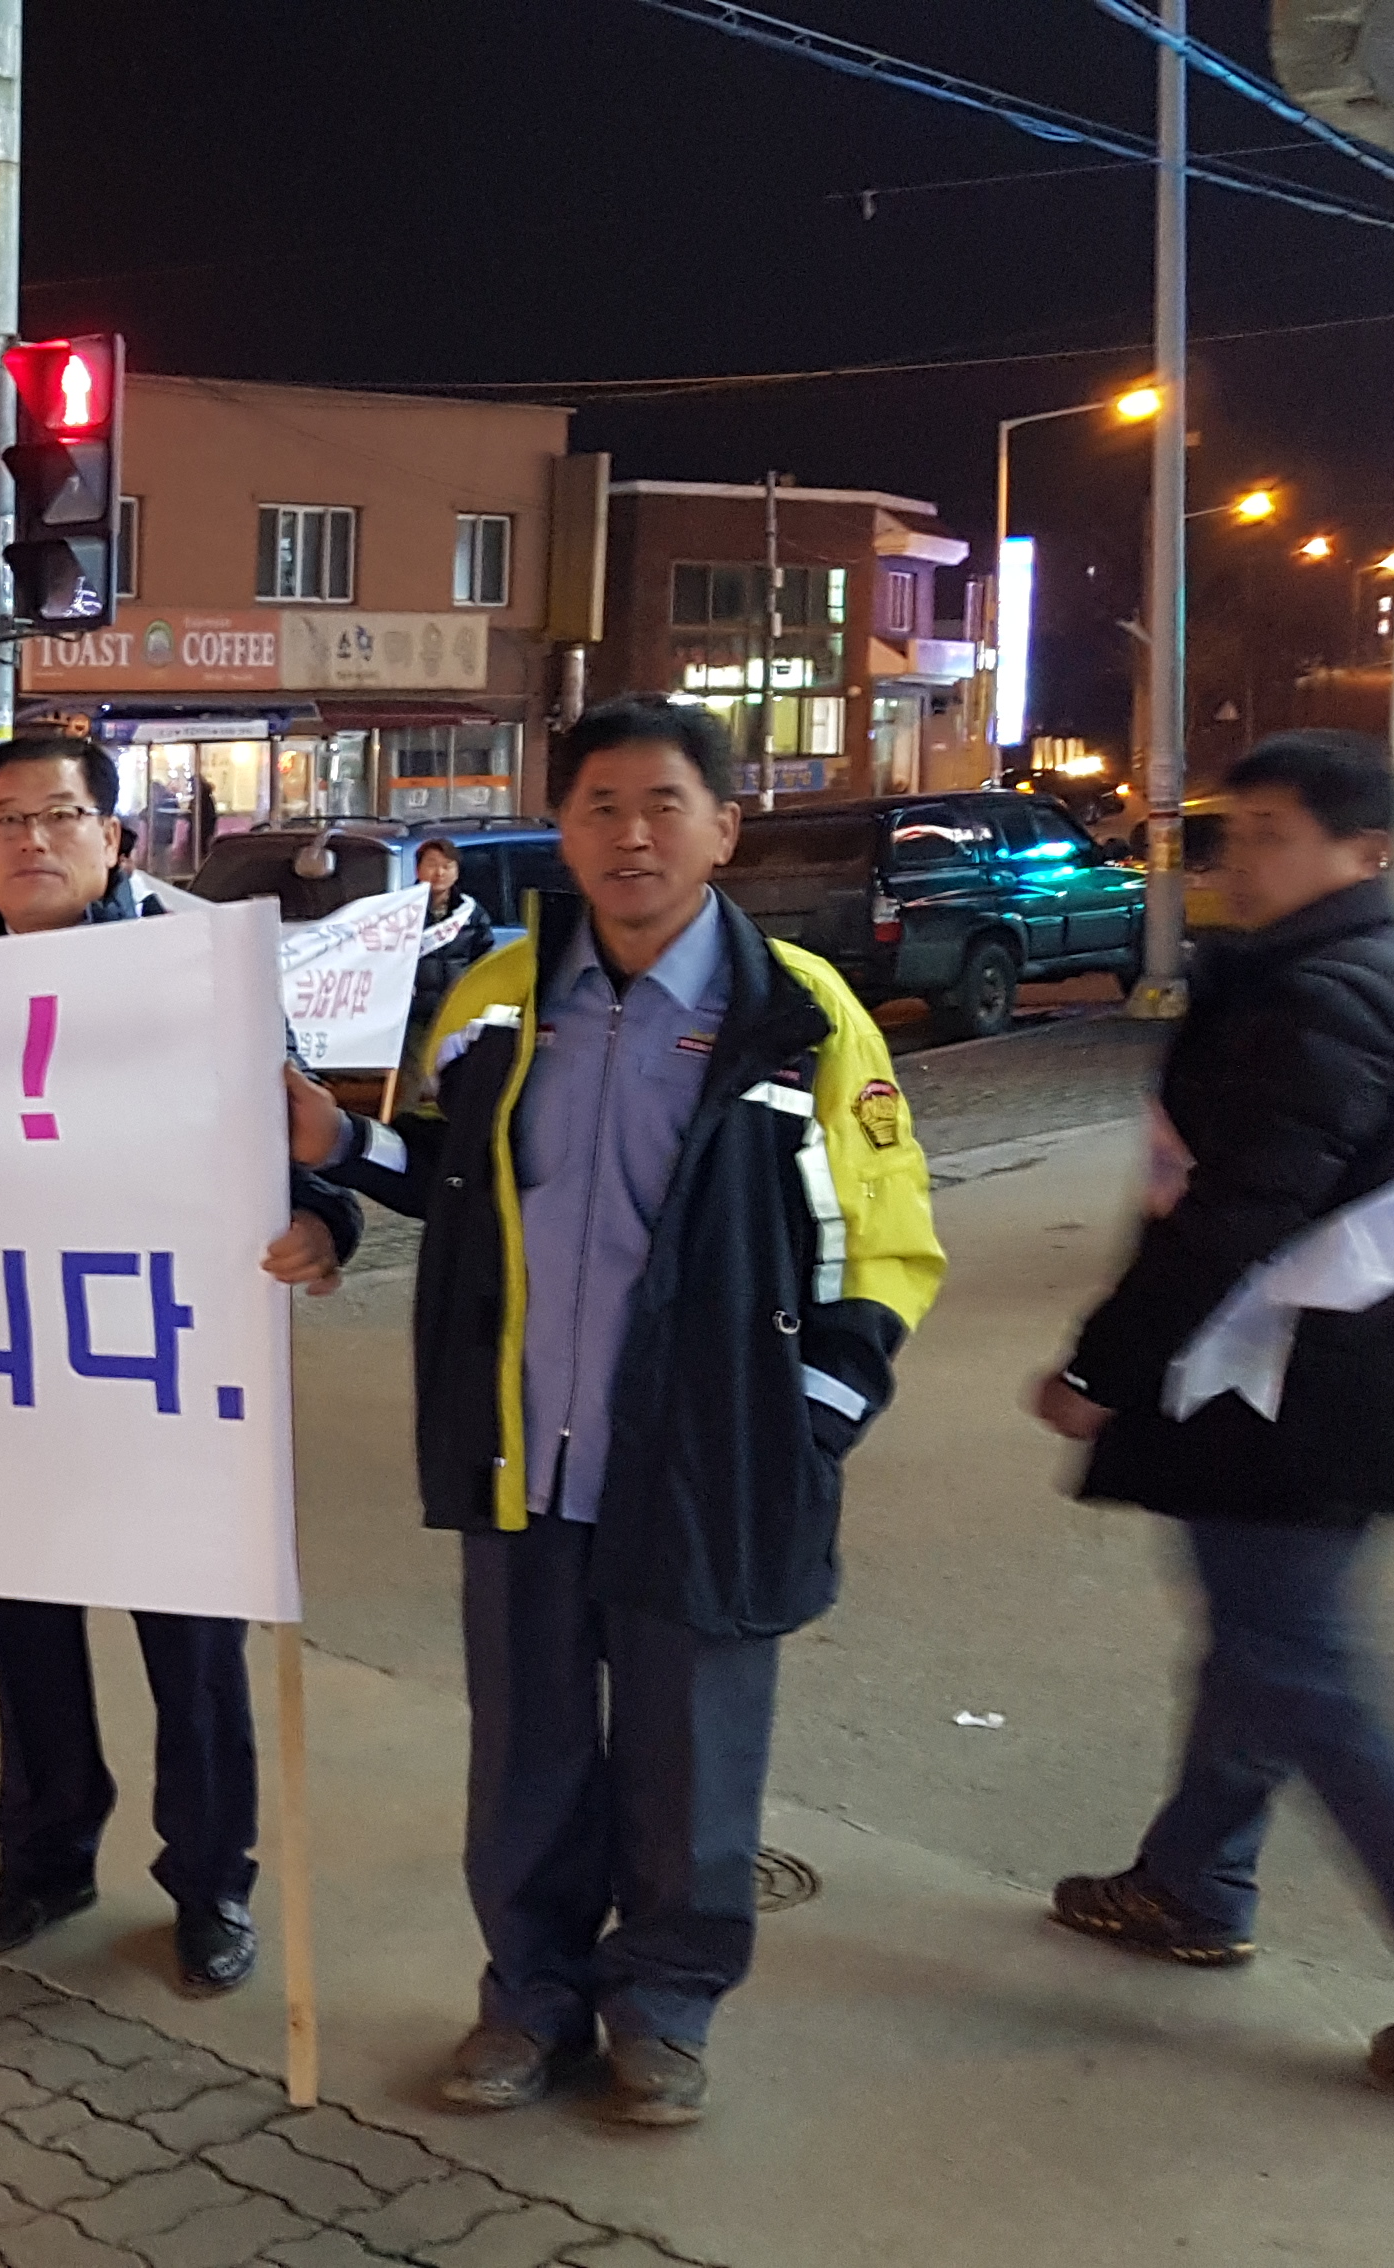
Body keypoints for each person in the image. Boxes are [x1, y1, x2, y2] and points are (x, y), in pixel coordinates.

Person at [291, 697, 943, 2126]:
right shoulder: (498, 995)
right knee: (525, 1754)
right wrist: (341, 1142)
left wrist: (805, 1426)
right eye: (599, 806)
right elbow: (453, 1175)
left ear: (724, 828)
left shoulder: (799, 1017)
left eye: (663, 805)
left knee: (690, 1761)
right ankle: (527, 1999)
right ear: (563, 829)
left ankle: (663, 2007)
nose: (631, 834)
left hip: (709, 1462)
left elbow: (882, 1246)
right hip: (522, 1453)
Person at [1029, 730, 1394, 2093]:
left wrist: (1098, 1372)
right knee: (1264, 1648)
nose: (1239, 856)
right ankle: (1193, 1881)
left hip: (1295, 1396)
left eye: (1274, 833)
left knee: (1306, 1675)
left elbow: (1232, 1217)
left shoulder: (1326, 998)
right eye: (1236, 828)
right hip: (1366, 1384)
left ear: (1364, 853)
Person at [0, 733, 362, 1998]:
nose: (31, 839)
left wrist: (323, 1222)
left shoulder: (204, 970)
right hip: (9, 1361)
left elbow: (293, 1133)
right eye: (5, 817)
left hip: (169, 1362)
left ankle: (211, 1882)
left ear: (115, 838)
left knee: (193, 1642)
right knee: (27, 1629)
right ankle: (45, 1858)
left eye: (59, 815)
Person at [404, 834, 496, 1070]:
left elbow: (483, 959)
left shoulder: (471, 913)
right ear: (418, 869)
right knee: (417, 1073)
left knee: (453, 1070)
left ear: (456, 872)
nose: (439, 873)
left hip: (456, 1009)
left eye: (447, 866)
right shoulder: (402, 911)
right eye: (432, 865)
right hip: (415, 1014)